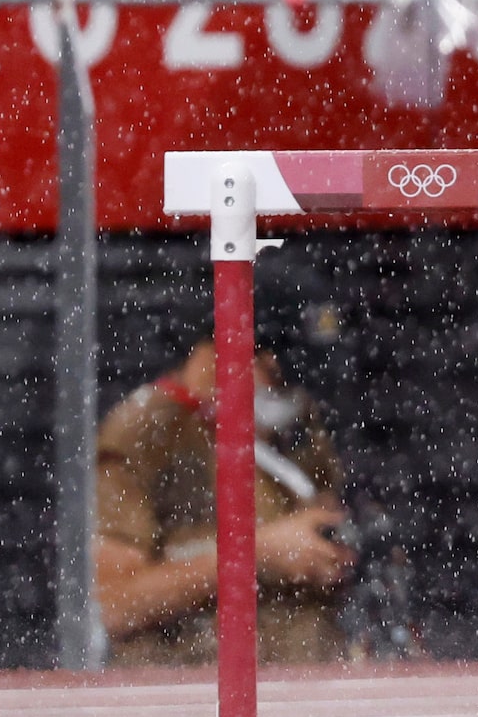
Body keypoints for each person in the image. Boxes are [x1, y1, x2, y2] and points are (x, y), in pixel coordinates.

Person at [94, 262, 360, 665]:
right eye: (276, 372)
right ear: (222, 349)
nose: (291, 389)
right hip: (189, 694)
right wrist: (257, 555)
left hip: (303, 682)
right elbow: (116, 605)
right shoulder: (147, 432)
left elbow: (322, 518)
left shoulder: (299, 424)